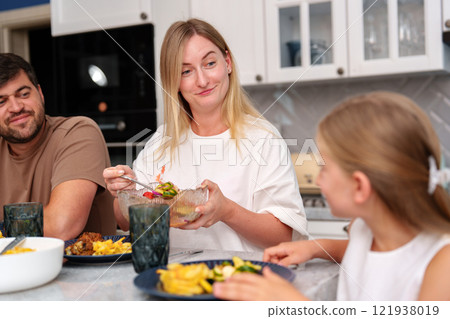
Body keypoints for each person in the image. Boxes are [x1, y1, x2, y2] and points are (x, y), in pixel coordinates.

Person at [213, 91, 450, 301]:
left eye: (324, 168)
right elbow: (365, 253)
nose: (317, 180)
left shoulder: (441, 267)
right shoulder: (363, 228)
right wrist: (316, 247)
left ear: (359, 187)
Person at [103, 18, 308, 252]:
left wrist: (227, 211)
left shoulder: (263, 138)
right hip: (171, 282)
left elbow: (283, 237)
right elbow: (124, 222)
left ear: (227, 62)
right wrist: (126, 194)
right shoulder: (162, 141)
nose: (202, 81)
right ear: (175, 82)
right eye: (186, 71)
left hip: (239, 281)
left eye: (210, 63)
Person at [0, 53, 116, 241]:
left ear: (40, 93)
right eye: (1, 101)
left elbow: (62, 225)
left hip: (85, 270)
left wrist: (4, 228)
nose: (16, 107)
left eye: (23, 94)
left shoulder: (77, 132)